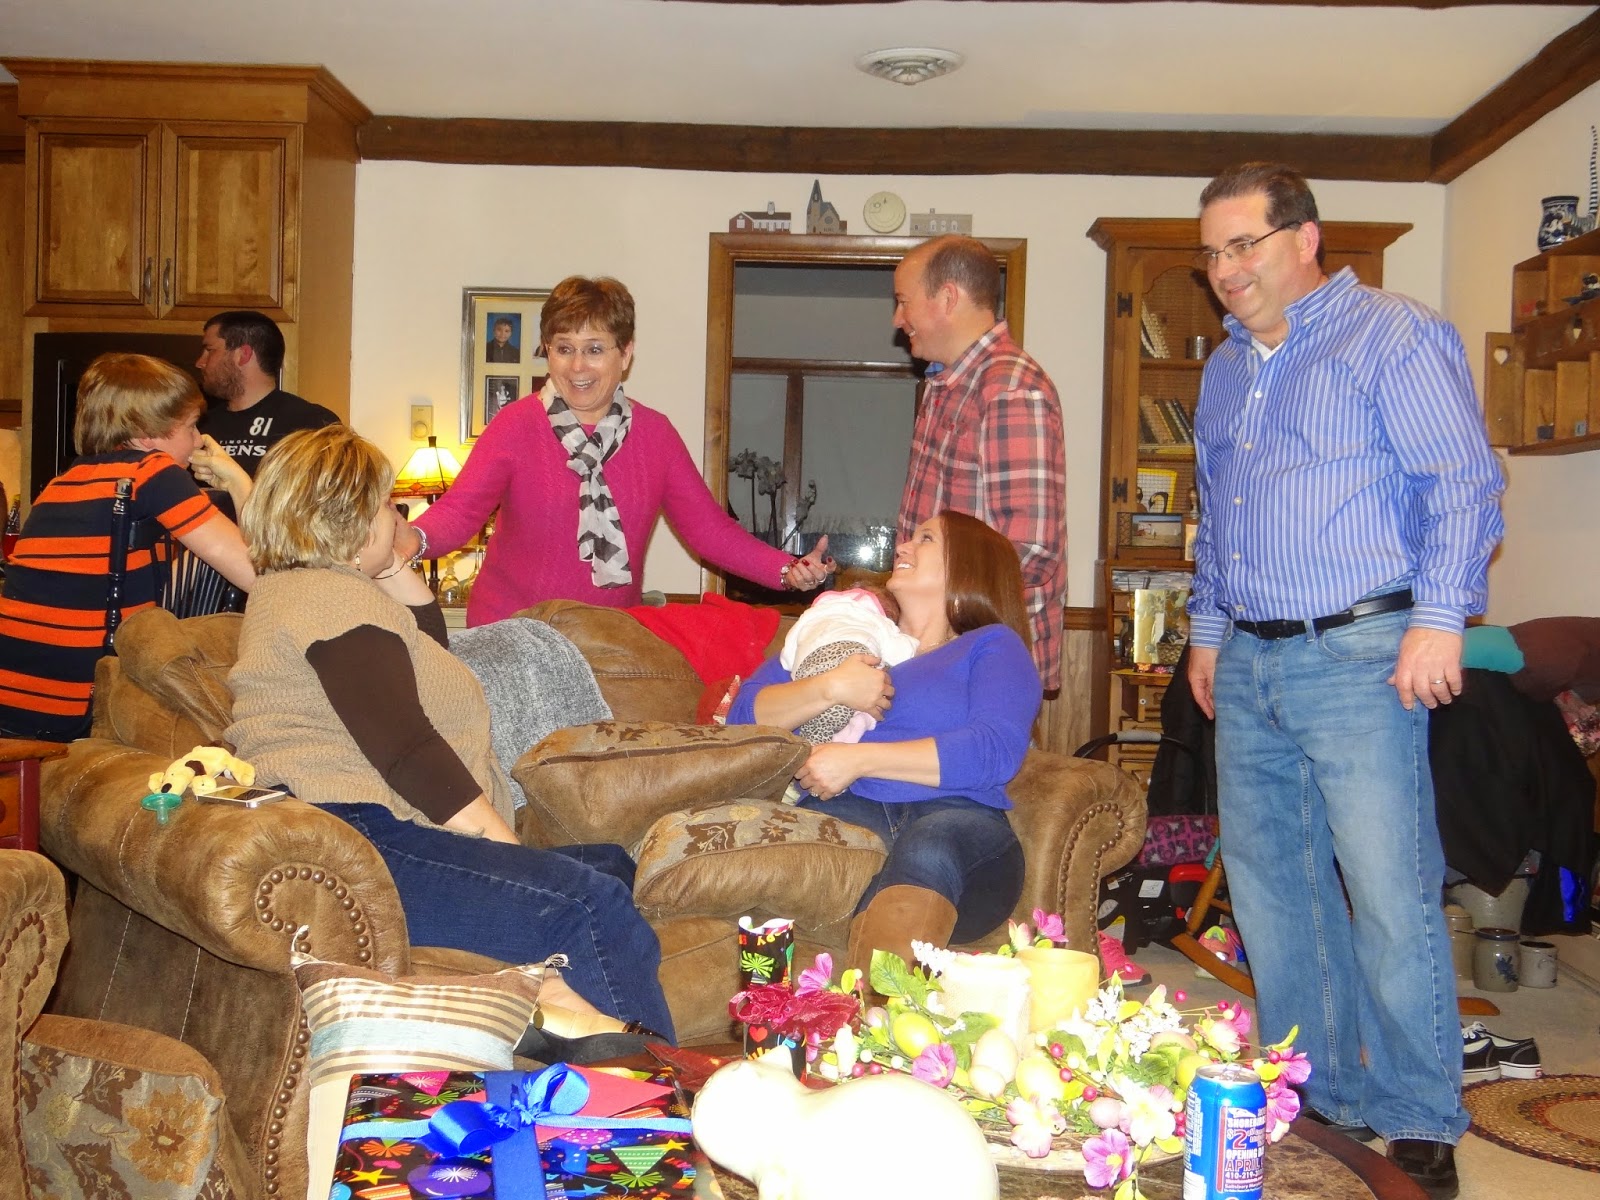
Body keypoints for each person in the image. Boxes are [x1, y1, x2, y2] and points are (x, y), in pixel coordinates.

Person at [1184, 162, 1504, 1198]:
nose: (1225, 269)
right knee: (1273, 892)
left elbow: (1461, 483)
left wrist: (1440, 618)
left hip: (1364, 652)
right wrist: (1207, 632)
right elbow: (1218, 517)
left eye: (1243, 244)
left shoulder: (1392, 335)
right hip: (1250, 658)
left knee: (1387, 889)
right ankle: (1320, 1095)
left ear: (1306, 237)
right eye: (1212, 252)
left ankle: (1417, 1113)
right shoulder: (1225, 370)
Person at [227, 425, 675, 1040]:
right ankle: (653, 1082)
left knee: (607, 864)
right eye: (386, 505)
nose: (398, 516)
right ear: (351, 522)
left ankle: (561, 1009)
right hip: (356, 841)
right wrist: (510, 855)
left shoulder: (316, 591)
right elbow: (409, 753)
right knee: (587, 902)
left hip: (356, 831)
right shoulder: (332, 605)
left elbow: (427, 643)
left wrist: (383, 554)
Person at [400, 276, 831, 625]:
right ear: (548, 353)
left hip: (607, 644)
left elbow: (709, 531)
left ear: (625, 354)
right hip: (510, 636)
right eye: (564, 349)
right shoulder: (514, 426)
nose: (577, 366)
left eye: (594, 349)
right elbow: (459, 513)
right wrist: (409, 538)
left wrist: (785, 570)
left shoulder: (656, 436)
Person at [729, 511, 1041, 975]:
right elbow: (741, 721)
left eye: (926, 539)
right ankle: (770, 1009)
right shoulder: (843, 633)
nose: (903, 546)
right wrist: (831, 687)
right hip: (851, 812)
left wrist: (857, 760)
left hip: (961, 826)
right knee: (778, 853)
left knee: (930, 844)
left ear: (968, 566)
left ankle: (876, 1009)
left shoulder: (991, 645)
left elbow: (993, 752)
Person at [0, 353, 255, 741]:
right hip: (80, 707)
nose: (198, 440)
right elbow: (258, 575)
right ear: (147, 433)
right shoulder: (152, 471)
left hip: (15, 698)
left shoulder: (63, 483)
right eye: (190, 426)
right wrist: (240, 483)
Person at [893, 235, 1066, 692]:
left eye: (903, 302)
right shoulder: (948, 386)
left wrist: (931, 597)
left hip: (986, 663)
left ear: (947, 298)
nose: (897, 319)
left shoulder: (1008, 388)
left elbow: (1029, 550)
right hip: (949, 655)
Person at [194, 310, 339, 476]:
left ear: (243, 355)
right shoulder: (197, 425)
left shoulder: (313, 424)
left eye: (210, 350)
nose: (200, 362)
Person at [779, 584, 919, 744]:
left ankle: (826, 738)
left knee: (816, 726)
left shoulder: (811, 616)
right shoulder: (875, 619)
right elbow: (901, 652)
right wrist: (912, 642)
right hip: (851, 658)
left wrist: (796, 666)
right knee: (875, 688)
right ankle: (855, 723)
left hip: (808, 672)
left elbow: (787, 653)